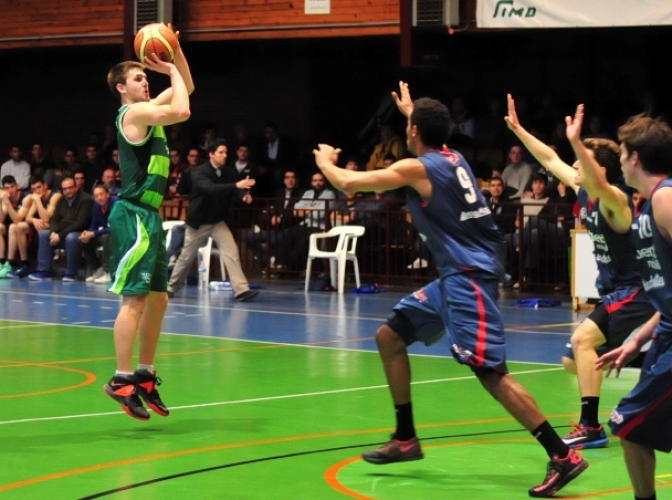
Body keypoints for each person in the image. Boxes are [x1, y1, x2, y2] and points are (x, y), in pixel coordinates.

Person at [312, 81, 587, 498]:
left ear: (415, 133)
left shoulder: (417, 168)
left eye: (410, 127)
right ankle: (405, 437)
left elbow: (349, 184)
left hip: (468, 278)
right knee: (389, 337)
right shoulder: (451, 155)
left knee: (490, 373)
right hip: (456, 277)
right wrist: (412, 113)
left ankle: (562, 455)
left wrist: (327, 162)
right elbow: (427, 136)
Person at [505, 96, 656, 448]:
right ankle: (645, 364)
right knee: (573, 360)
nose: (572, 169)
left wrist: (577, 141)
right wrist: (519, 130)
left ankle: (591, 427)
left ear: (597, 170)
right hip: (616, 292)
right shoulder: (583, 190)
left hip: (638, 291)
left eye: (580, 164)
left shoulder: (614, 200)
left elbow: (599, 183)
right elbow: (548, 158)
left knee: (582, 340)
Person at [104, 25, 194, 421]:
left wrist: (174, 52)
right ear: (123, 88)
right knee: (135, 299)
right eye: (139, 76)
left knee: (159, 296)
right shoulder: (135, 112)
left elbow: (186, 88)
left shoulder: (150, 113)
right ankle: (121, 379)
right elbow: (183, 109)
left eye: (146, 76)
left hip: (151, 216)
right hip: (134, 213)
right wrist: (168, 70)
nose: (145, 79)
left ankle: (145, 373)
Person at [594, 113, 672, 500]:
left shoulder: (665, 198)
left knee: (627, 424)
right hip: (663, 335)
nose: (620, 160)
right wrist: (638, 338)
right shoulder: (646, 205)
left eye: (623, 153)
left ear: (636, 157)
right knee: (637, 432)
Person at [166, 139, 259, 302]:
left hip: (217, 221)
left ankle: (241, 289)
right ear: (211, 155)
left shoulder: (228, 172)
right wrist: (237, 186)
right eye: (221, 152)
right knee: (186, 257)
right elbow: (211, 189)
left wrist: (243, 196)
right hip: (198, 222)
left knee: (232, 252)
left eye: (226, 152)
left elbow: (234, 190)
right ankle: (170, 287)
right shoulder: (199, 172)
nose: (224, 155)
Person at [27, 176, 93, 281]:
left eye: (70, 187)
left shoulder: (86, 200)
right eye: (65, 189)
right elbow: (54, 219)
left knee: (71, 238)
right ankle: (44, 270)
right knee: (45, 234)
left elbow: (81, 223)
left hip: (80, 233)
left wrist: (60, 235)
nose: (68, 191)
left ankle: (71, 273)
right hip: (62, 232)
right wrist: (53, 232)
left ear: (76, 187)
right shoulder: (62, 199)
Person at [79, 184, 116, 284]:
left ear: (107, 195)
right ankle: (97, 269)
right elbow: (93, 225)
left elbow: (114, 228)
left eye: (101, 194)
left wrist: (94, 233)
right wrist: (88, 233)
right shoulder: (96, 207)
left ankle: (108, 273)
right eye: (96, 196)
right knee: (84, 240)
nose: (99, 197)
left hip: (122, 235)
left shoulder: (116, 204)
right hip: (107, 233)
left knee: (106, 237)